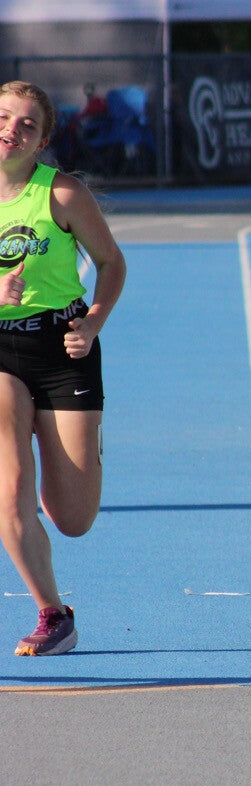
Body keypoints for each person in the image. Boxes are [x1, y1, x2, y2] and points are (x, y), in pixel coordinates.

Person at [0, 81, 127, 655]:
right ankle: (53, 613)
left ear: (43, 140)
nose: (12, 129)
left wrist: (94, 321)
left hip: (63, 348)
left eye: (27, 124)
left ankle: (73, 451)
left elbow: (111, 262)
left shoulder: (63, 194)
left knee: (73, 518)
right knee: (12, 489)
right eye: (5, 117)